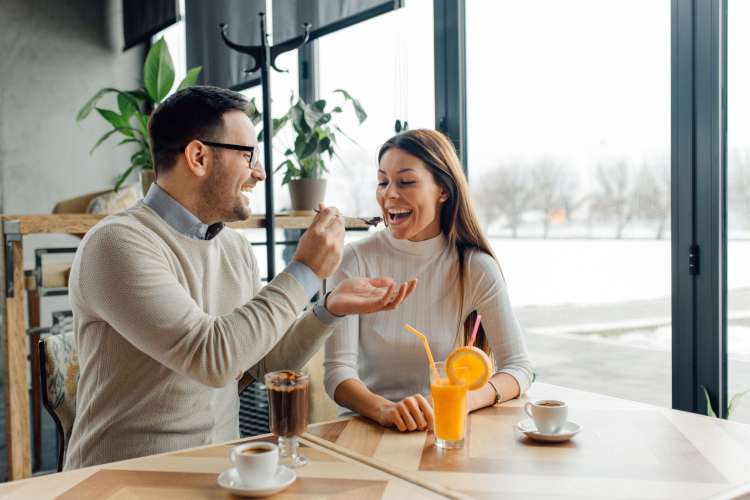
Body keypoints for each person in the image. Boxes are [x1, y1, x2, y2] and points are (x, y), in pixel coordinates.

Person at [64, 86, 416, 469]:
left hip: (219, 470)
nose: (261, 173)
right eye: (249, 155)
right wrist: (306, 270)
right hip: (123, 479)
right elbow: (212, 358)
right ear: (198, 156)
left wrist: (328, 310)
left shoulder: (233, 248)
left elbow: (260, 365)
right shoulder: (117, 243)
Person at [324, 129, 532, 432]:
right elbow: (337, 373)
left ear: (443, 190)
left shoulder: (475, 267)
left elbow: (519, 367)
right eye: (383, 182)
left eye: (406, 182)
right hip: (369, 425)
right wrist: (386, 410)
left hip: (444, 427)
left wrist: (465, 400)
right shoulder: (354, 260)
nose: (389, 194)